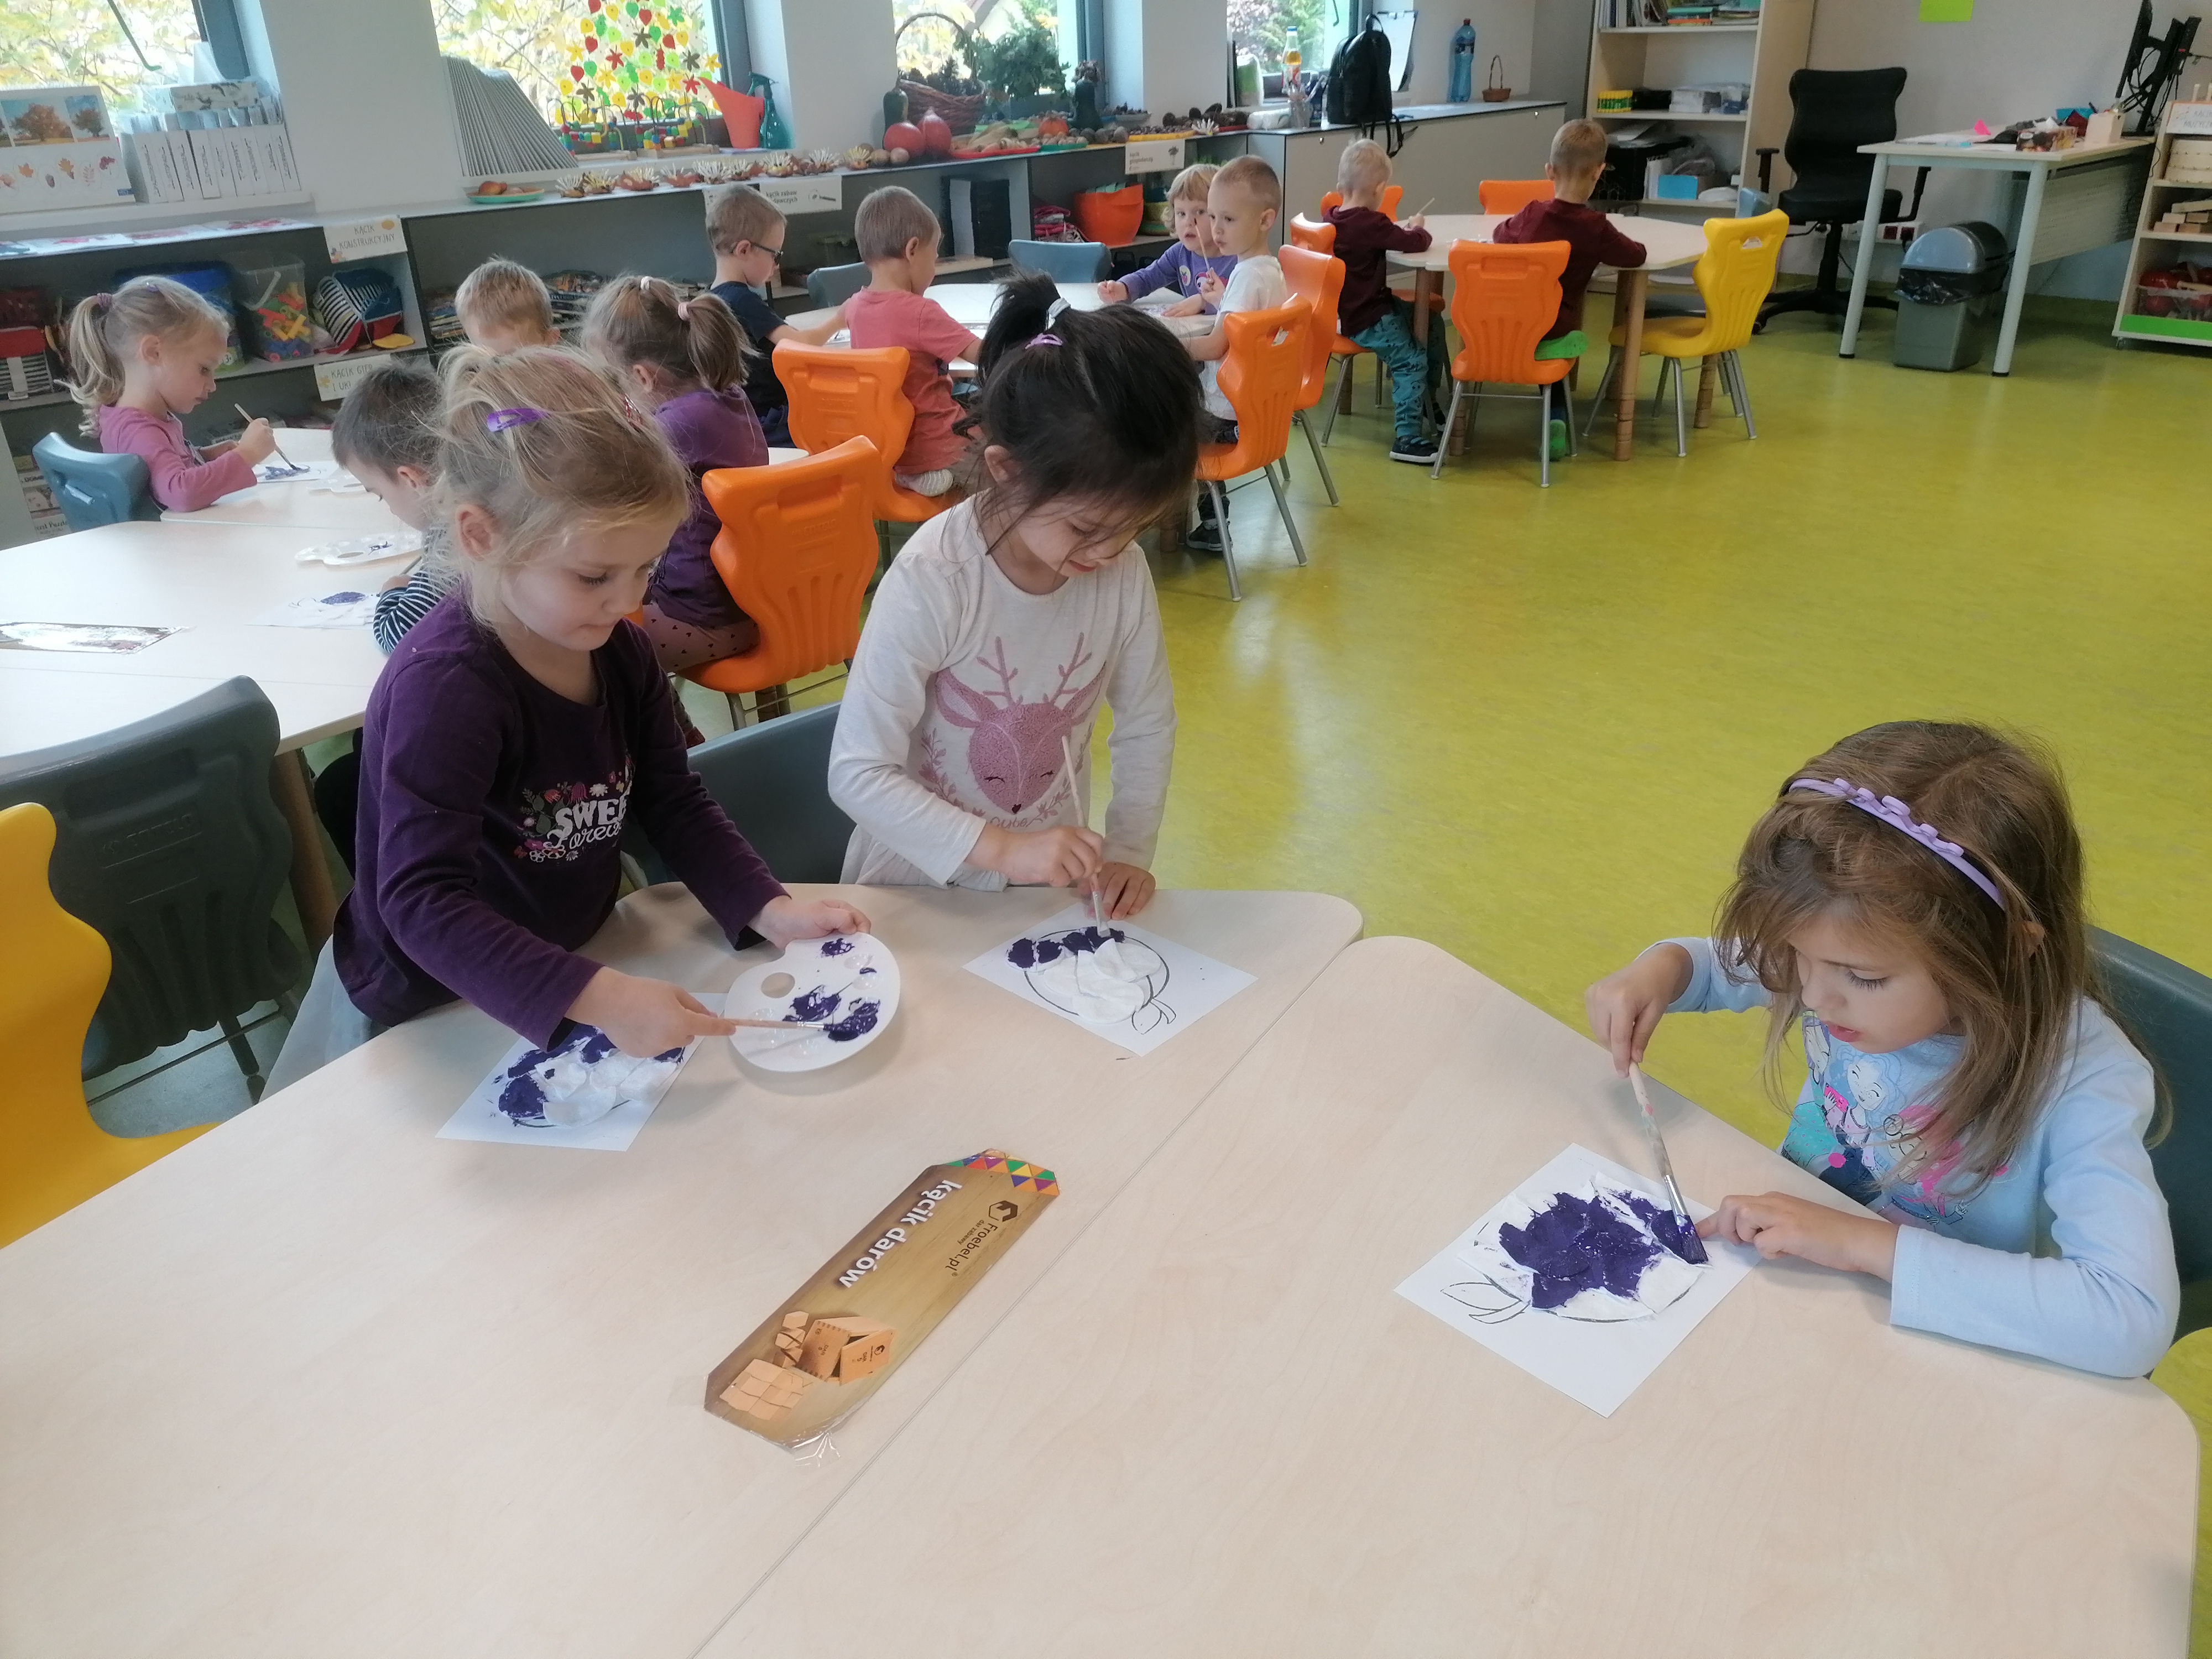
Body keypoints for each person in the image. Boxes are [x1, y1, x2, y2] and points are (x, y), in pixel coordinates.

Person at [264, 345, 867, 1094]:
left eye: (645, 568)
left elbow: (672, 798)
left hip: (572, 953)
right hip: (433, 1000)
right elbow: (421, 904)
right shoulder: (446, 687)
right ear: (481, 536)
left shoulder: (618, 648)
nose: (629, 601)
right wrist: (599, 996)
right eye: (594, 576)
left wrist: (766, 908)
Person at [1584, 721, 2179, 1378]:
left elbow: (2129, 1319)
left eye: (1862, 978)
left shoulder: (2083, 1079)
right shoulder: (1837, 960)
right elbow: (1717, 965)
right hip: (1799, 1283)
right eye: (1796, 956)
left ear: (2004, 950)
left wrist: (1862, 1244)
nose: (1813, 997)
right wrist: (1664, 969)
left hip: (1943, 1347)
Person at [827, 272, 1198, 919]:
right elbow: (857, 773)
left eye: (1133, 529)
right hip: (915, 891)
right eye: (1086, 529)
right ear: (1006, 471)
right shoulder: (937, 576)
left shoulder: (1121, 573)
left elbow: (1145, 725)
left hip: (1041, 891)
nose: (1110, 554)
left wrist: (1129, 854)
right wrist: (1001, 850)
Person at [313, 356, 458, 872]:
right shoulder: (488, 502)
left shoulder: (455, 537)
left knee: (339, 783)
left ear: (412, 479)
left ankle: (402, 897)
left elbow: (401, 632)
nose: (386, 507)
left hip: (492, 738)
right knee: (367, 737)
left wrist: (391, 594)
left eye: (380, 494)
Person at [582, 274, 766, 672]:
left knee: (577, 647)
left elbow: (603, 494)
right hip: (753, 606)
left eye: (616, 383)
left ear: (642, 377)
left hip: (703, 621)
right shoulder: (728, 397)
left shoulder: (674, 426)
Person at [1491, 118, 1645, 462]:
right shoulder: (1596, 227)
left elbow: (1500, 235)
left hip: (1508, 327)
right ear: (1599, 172)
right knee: (1558, 338)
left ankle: (1548, 412)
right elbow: (1635, 256)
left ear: (1549, 171)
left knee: (1542, 329)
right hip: (1557, 328)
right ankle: (1556, 416)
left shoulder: (1531, 214)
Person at [62, 275, 275, 512]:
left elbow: (156, 474)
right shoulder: (139, 430)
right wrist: (246, 455)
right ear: (153, 352)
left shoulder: (136, 417)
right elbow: (180, 493)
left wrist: (205, 457)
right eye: (204, 369)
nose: (212, 385)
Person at [843, 185, 984, 498]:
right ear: (912, 250)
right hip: (941, 445)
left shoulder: (855, 308)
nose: (934, 269)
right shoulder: (920, 312)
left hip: (889, 450)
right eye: (934, 258)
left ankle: (915, 475)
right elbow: (986, 355)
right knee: (1011, 463)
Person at [1182, 155, 1287, 554]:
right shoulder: (1268, 269)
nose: (1216, 229)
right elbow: (1245, 328)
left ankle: (1210, 523)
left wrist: (1163, 342)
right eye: (1212, 217)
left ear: (1265, 220)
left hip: (1226, 414)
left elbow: (1216, 346)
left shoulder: (1246, 276)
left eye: (1228, 219)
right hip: (1257, 409)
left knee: (1161, 420)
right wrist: (1222, 300)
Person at [1324, 138, 1447, 466]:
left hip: (1344, 315)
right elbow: (1415, 242)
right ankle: (1406, 436)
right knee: (1411, 361)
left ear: (1341, 186)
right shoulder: (1373, 224)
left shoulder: (1331, 219)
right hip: (1370, 318)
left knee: (1430, 319)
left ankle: (1424, 400)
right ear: (1380, 189)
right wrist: (1417, 227)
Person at [705, 182, 849, 448]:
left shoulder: (709, 299)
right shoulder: (742, 300)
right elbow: (801, 346)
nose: (776, 265)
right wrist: (840, 319)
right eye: (776, 254)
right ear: (744, 250)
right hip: (771, 424)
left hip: (745, 421)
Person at [1097, 163, 1233, 316]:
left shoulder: (1237, 257)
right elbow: (1148, 278)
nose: (1188, 222)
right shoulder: (1179, 253)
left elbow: (1245, 304)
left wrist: (1203, 302)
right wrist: (1123, 288)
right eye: (1181, 214)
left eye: (1200, 212)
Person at [453, 257, 561, 354]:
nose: (497, 368)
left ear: (550, 340)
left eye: (512, 358)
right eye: (483, 357)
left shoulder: (564, 369)